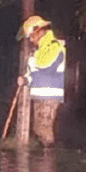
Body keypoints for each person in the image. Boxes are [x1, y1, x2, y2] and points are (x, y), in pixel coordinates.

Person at [17, 15, 65, 146]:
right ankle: (43, 161)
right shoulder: (39, 50)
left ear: (38, 31)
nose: (30, 40)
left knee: (44, 130)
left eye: (31, 36)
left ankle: (48, 160)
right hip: (39, 95)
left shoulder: (55, 46)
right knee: (38, 128)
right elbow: (35, 74)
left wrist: (33, 60)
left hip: (50, 96)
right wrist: (25, 80)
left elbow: (45, 65)